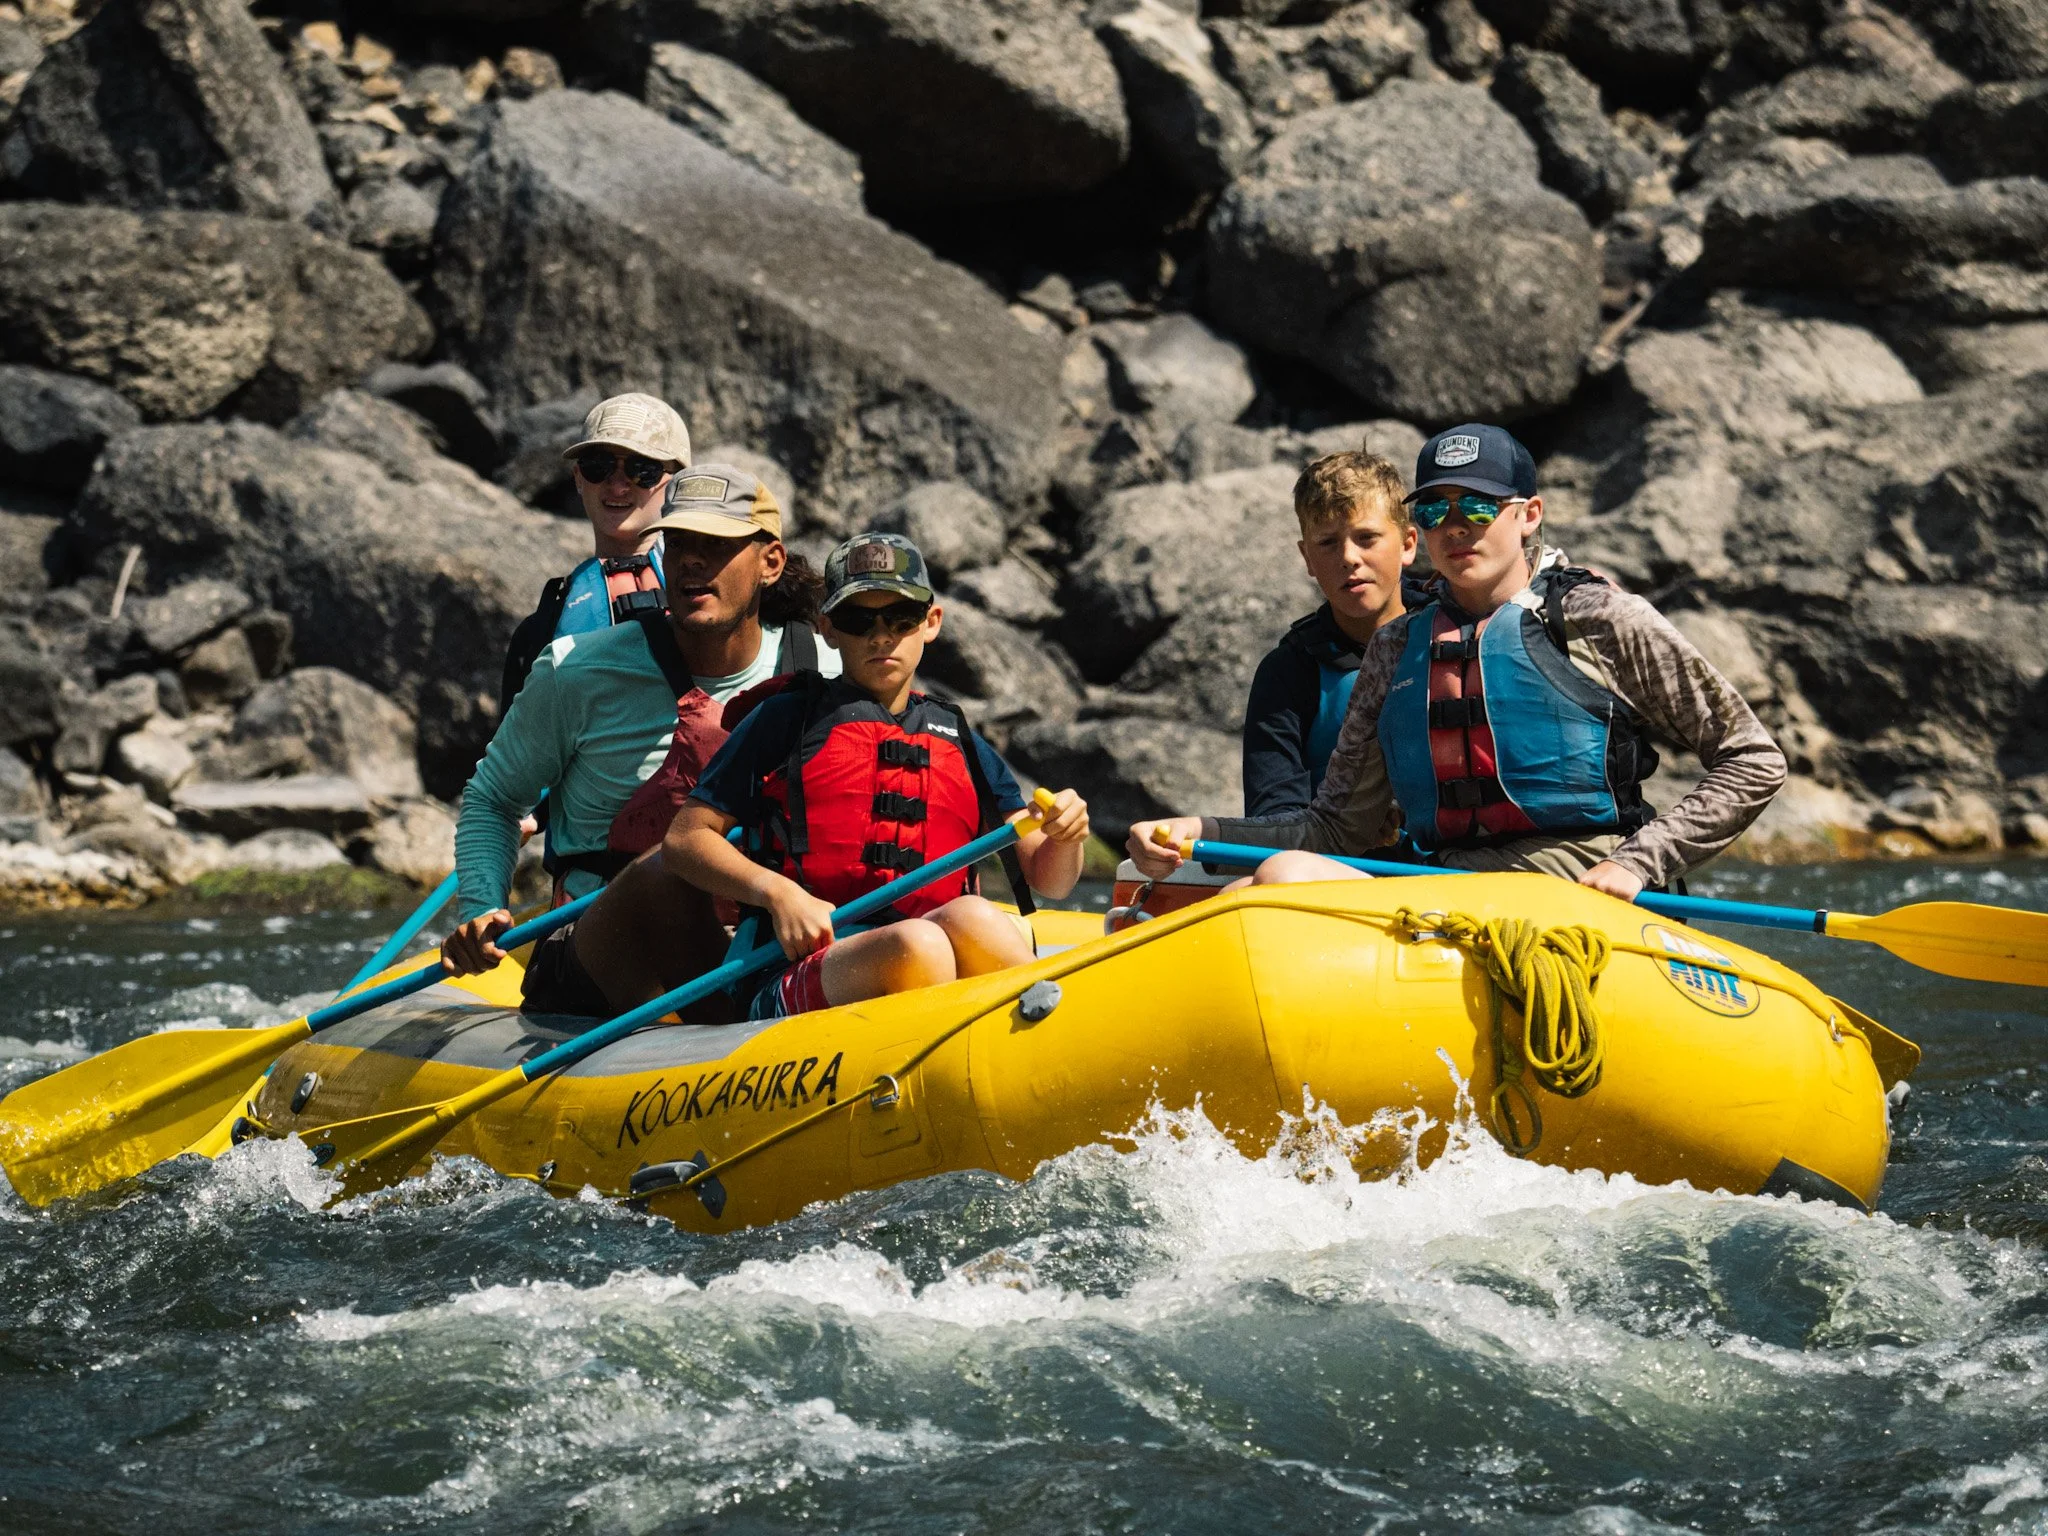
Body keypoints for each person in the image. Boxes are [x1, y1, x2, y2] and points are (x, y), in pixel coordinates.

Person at [1129, 423, 1787, 900]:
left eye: (1477, 506)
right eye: (1438, 509)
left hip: (1583, 885)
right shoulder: (1397, 648)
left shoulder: (1598, 617)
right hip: (1446, 887)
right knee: (1278, 878)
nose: (1456, 527)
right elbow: (1335, 824)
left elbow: (1753, 760)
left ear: (1528, 515)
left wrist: (1641, 862)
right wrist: (1198, 831)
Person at [444, 465, 839, 1016]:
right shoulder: (577, 670)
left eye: (715, 544)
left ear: (770, 562)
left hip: (768, 941)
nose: (692, 561)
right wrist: (483, 904)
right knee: (666, 872)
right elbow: (493, 798)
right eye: (678, 544)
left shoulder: (825, 671)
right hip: (602, 958)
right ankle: (738, 1024)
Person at [662, 531, 1091, 1020]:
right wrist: (778, 894)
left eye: (900, 618)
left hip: (926, 944)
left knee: (974, 916)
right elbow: (685, 841)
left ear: (930, 623)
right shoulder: (784, 721)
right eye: (858, 619)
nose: (882, 635)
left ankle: (1051, 1035)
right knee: (918, 944)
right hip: (791, 968)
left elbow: (1050, 881)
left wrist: (1066, 836)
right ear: (827, 628)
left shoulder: (961, 741)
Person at [1243, 451, 1422, 818]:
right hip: (1338, 866)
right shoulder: (1288, 672)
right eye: (1327, 543)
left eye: (1367, 538)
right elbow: (1273, 814)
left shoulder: (1464, 637)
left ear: (1407, 544)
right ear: (1307, 557)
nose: (1348, 557)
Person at [499, 393, 693, 710]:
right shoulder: (539, 631)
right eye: (597, 467)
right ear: (578, 478)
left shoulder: (717, 598)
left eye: (642, 470)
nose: (617, 486)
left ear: (676, 483)